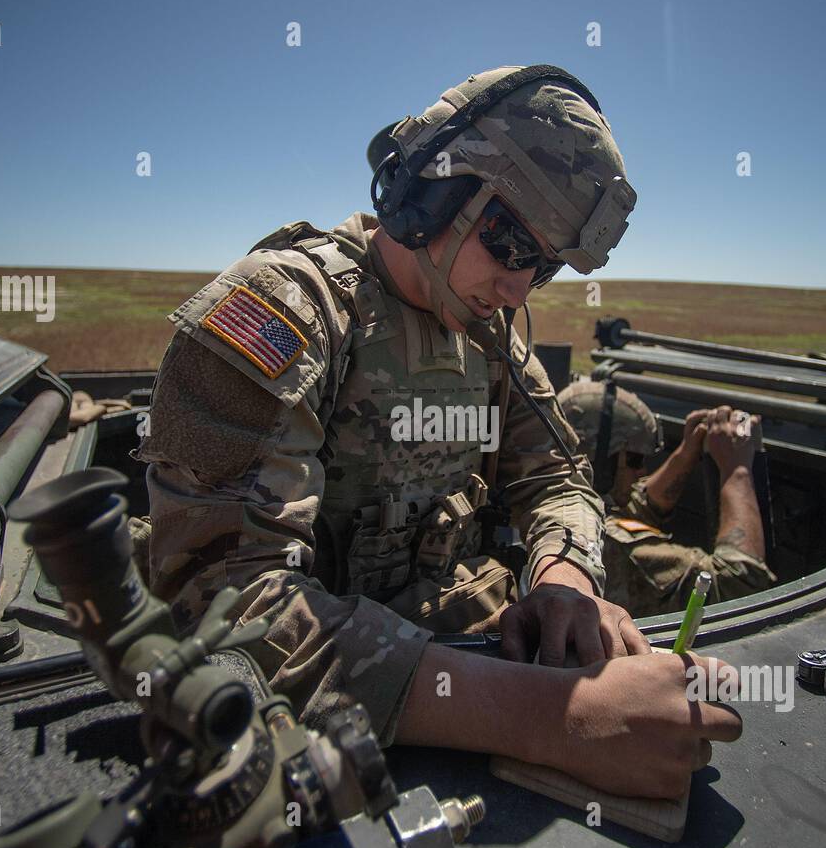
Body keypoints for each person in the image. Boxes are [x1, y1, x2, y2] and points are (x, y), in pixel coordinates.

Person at [134, 66, 742, 799]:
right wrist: (553, 718)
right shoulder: (288, 311)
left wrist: (562, 577)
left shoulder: (489, 338)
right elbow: (222, 605)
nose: (519, 288)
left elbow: (556, 477)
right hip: (311, 722)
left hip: (443, 649)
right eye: (512, 244)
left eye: (543, 267)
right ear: (431, 193)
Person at [557, 381, 776, 616]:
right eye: (634, 460)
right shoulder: (616, 549)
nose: (642, 473)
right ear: (599, 464)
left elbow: (632, 509)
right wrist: (736, 469)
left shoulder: (561, 507)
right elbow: (740, 584)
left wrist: (686, 453)